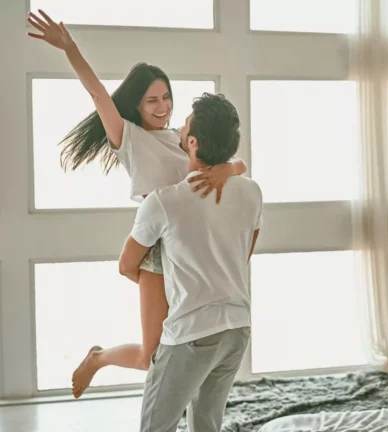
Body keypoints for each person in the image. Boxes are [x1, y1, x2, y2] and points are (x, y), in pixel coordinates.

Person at [26, 9, 248, 398]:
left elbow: (239, 162)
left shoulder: (184, 137)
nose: (162, 107)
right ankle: (97, 358)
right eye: (151, 101)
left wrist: (227, 171)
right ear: (136, 105)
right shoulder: (128, 137)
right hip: (158, 248)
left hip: (193, 242)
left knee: (192, 341)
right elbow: (97, 92)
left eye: (166, 97)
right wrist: (69, 48)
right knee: (153, 355)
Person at [120, 93, 262, 432]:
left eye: (184, 125)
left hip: (191, 333)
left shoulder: (163, 202)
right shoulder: (252, 192)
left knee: (156, 427)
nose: (179, 128)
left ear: (193, 141)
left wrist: (170, 284)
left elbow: (127, 265)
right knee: (206, 425)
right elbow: (245, 252)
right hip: (236, 328)